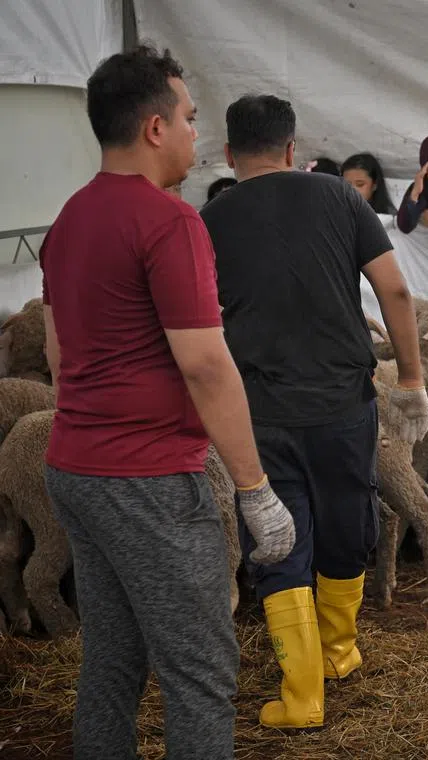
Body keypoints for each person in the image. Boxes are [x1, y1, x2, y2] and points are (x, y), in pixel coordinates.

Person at [39, 44, 294, 759]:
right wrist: (255, 487)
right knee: (200, 673)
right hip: (146, 477)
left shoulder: (70, 218)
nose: (194, 134)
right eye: (187, 118)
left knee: (113, 662)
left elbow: (59, 357)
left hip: (75, 466)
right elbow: (207, 365)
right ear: (154, 128)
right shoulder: (169, 220)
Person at [199, 94, 428, 730]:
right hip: (343, 403)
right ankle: (339, 652)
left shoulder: (211, 218)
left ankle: (300, 693)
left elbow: (201, 322)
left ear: (227, 153)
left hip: (261, 410)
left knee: (277, 534)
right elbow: (396, 291)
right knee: (345, 518)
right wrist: (411, 378)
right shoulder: (340, 197)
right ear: (293, 149)